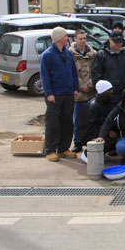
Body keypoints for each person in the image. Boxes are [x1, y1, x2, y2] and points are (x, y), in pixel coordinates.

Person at [40, 26, 79, 162]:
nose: (66, 38)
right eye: (64, 36)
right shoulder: (47, 55)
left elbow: (73, 72)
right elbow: (44, 76)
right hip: (55, 94)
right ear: (58, 38)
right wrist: (49, 93)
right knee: (53, 122)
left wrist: (75, 88)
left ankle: (63, 148)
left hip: (68, 93)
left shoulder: (68, 54)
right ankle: (51, 149)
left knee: (67, 122)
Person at [91, 30, 125, 106]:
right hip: (108, 97)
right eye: (116, 42)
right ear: (110, 40)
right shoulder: (101, 55)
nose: (118, 44)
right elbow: (96, 76)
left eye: (120, 42)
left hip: (124, 95)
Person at [70, 28, 96, 152]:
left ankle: (91, 140)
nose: (83, 41)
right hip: (78, 92)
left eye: (84, 38)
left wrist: (90, 85)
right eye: (80, 38)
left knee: (91, 118)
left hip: (91, 92)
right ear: (75, 39)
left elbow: (96, 71)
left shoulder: (93, 54)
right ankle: (77, 142)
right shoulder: (70, 54)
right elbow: (70, 72)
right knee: (77, 118)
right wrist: (80, 85)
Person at [79, 80, 116, 163]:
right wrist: (106, 133)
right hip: (89, 135)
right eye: (109, 90)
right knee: (110, 141)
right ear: (103, 91)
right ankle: (88, 153)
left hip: (101, 131)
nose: (112, 92)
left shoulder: (107, 103)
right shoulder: (93, 106)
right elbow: (90, 127)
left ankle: (100, 153)